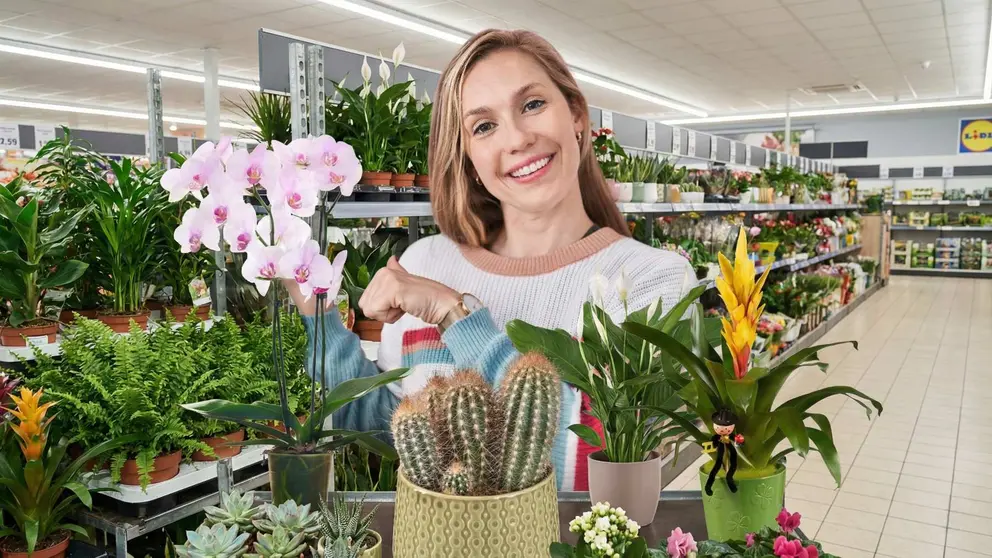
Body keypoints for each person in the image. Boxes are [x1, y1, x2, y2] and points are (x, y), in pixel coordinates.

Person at [288, 29, 695, 491]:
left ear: (577, 116)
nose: (517, 139)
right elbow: (392, 431)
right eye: (484, 126)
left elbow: (599, 467)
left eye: (532, 105)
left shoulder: (654, 281)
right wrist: (316, 312)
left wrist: (453, 315)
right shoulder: (425, 262)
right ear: (468, 159)